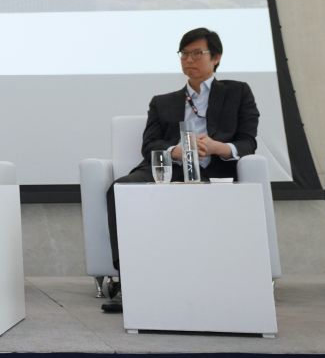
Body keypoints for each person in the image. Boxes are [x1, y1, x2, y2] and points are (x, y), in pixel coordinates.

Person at [101, 28, 259, 313]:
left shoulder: (237, 92)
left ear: (216, 58)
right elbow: (150, 145)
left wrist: (216, 147)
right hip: (167, 169)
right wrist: (176, 150)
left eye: (197, 53)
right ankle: (129, 282)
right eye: (184, 54)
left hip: (214, 172)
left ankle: (216, 285)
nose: (189, 59)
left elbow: (248, 141)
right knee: (122, 188)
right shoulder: (162, 101)